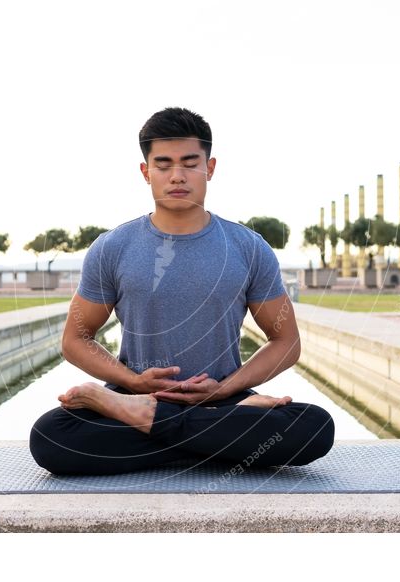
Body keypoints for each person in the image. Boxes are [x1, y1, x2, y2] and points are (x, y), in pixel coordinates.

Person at [29, 107, 335, 475]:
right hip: (132, 398)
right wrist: (132, 382)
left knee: (315, 426)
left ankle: (171, 430)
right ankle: (215, 439)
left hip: (223, 397)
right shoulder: (112, 247)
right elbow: (75, 339)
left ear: (210, 167)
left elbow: (286, 341)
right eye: (164, 164)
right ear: (146, 172)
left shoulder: (248, 247)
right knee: (50, 437)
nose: (177, 175)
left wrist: (224, 391)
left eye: (190, 163)